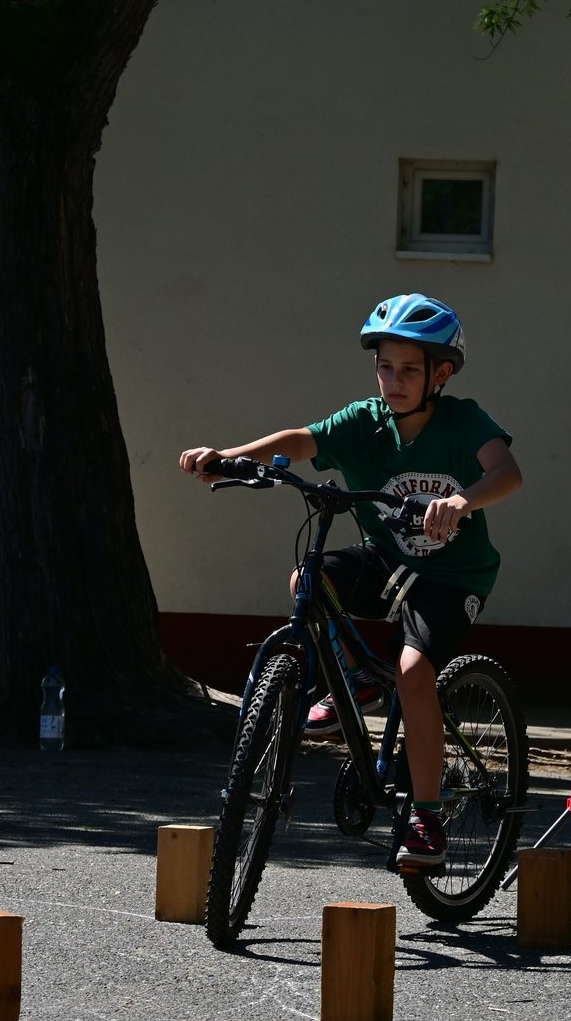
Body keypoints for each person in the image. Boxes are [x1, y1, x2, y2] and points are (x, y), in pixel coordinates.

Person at [180, 293, 522, 869]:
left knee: (414, 672)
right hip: (387, 561)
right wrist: (232, 455)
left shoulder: (464, 421)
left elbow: (507, 472)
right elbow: (301, 440)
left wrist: (463, 499)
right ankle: (353, 688)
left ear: (440, 374)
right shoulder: (364, 422)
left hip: (452, 575)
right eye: (385, 366)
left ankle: (427, 818)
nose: (394, 380)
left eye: (410, 370)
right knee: (307, 581)